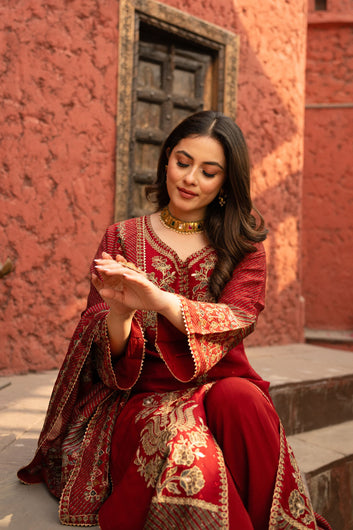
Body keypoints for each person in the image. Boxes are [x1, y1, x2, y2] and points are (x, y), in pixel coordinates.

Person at [18, 111, 331, 529]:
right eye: (183, 162)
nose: (190, 179)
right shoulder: (122, 238)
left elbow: (237, 318)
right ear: (166, 159)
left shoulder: (243, 247)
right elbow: (104, 361)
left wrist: (160, 301)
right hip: (142, 397)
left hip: (220, 385)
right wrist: (121, 312)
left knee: (243, 400)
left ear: (225, 182)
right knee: (190, 451)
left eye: (209, 171)